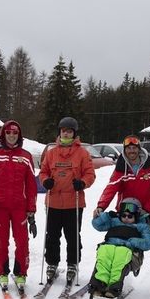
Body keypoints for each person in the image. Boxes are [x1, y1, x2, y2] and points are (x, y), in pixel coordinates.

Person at [96, 135, 150, 291]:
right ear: (125, 151)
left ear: (138, 149)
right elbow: (111, 187)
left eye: (134, 148)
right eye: (128, 149)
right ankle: (108, 280)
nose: (132, 151)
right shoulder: (121, 166)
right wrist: (101, 206)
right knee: (117, 246)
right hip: (126, 215)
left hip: (145, 214)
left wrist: (148, 208)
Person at [0, 119, 38, 297]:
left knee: (22, 242)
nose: (12, 136)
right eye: (8, 133)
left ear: (19, 135)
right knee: (1, 241)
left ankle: (21, 273)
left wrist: (31, 208)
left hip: (20, 207)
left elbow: (31, 185)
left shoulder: (26, 156)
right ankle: (2, 272)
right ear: (3, 134)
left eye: (15, 133)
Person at [38, 116, 95, 287]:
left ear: (74, 134)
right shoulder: (51, 153)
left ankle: (72, 263)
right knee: (52, 236)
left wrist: (83, 183)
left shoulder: (83, 153)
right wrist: (45, 180)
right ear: (60, 132)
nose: (66, 133)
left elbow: (90, 174)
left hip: (74, 202)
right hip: (53, 202)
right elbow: (43, 172)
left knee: (72, 236)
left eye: (70, 131)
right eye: (64, 131)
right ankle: (52, 263)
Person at [89, 198, 150, 298]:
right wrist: (106, 216)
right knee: (104, 254)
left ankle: (113, 288)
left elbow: (149, 243)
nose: (126, 218)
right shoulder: (114, 222)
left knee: (120, 255)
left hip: (130, 255)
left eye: (130, 216)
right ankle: (99, 284)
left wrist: (132, 241)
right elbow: (97, 225)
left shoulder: (142, 226)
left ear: (136, 216)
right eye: (123, 215)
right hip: (110, 248)